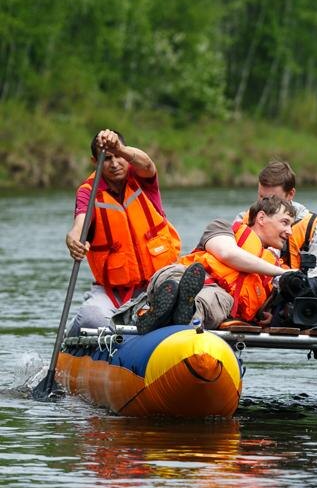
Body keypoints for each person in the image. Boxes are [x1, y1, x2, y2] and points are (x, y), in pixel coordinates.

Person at [65, 129, 181, 337]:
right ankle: (74, 340)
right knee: (91, 318)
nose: (115, 163)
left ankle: (157, 320)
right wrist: (73, 240)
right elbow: (79, 225)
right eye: (107, 158)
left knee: (183, 301)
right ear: (95, 161)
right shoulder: (88, 192)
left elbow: (146, 163)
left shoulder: (141, 176)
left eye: (118, 155)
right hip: (113, 292)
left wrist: (119, 147)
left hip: (158, 283)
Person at [126, 196, 296, 332]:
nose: (290, 231)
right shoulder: (222, 227)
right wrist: (280, 272)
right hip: (187, 274)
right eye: (285, 222)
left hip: (217, 294)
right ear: (261, 217)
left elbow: (264, 312)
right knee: (174, 277)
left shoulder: (273, 273)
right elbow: (227, 253)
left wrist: (270, 315)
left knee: (214, 299)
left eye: (292, 225)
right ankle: (167, 307)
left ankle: (182, 312)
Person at [236, 161, 317, 277]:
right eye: (261, 197)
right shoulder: (243, 219)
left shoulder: (314, 227)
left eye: (272, 198)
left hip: (295, 291)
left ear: (291, 194)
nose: (264, 204)